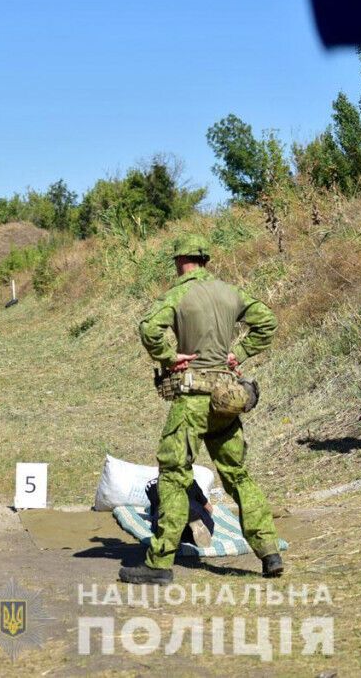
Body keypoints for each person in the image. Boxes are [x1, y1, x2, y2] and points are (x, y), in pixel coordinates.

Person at [119, 233, 283, 585]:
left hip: (193, 398)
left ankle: (159, 563)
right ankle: (269, 551)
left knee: (175, 474)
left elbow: (149, 328)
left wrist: (168, 356)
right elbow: (266, 322)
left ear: (180, 261)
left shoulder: (179, 293)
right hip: (227, 397)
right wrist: (241, 353)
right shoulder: (230, 292)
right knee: (237, 474)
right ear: (205, 259)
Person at [146, 478, 214, 548]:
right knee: (202, 520)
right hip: (191, 506)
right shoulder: (190, 481)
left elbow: (154, 511)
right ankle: (192, 518)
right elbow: (209, 508)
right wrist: (208, 517)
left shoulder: (151, 485)